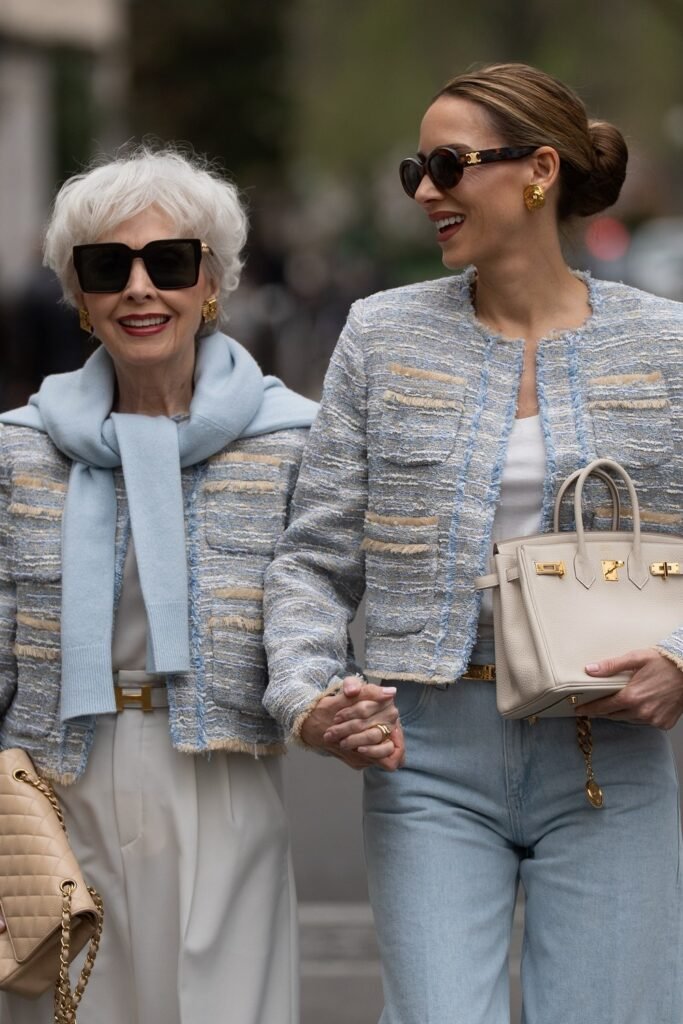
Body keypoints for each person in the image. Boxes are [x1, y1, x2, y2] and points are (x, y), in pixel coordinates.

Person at [262, 63, 683, 1023]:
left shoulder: (666, 343)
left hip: (605, 755)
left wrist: (678, 659)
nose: (423, 191)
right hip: (426, 754)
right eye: (418, 166)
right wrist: (310, 695)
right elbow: (312, 560)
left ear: (537, 170)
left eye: (447, 165)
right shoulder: (381, 335)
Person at [0, 145, 399, 1024]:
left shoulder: (294, 437)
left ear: (211, 280)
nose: (140, 288)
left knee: (227, 1006)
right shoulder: (17, 448)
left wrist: (322, 698)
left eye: (169, 262)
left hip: (219, 772)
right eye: (108, 266)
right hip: (55, 782)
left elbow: (317, 593)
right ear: (78, 294)